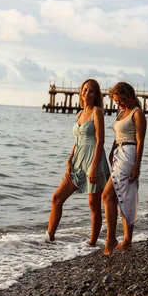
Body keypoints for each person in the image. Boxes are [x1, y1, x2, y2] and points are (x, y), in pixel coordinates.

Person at [46, 79, 110, 245]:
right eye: (84, 89)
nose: (86, 93)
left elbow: (100, 141)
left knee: (93, 204)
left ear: (96, 95)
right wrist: (69, 161)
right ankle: (49, 237)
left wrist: (95, 167)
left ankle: (92, 243)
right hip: (77, 160)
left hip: (93, 159)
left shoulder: (97, 112)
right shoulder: (79, 114)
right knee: (56, 198)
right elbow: (77, 141)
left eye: (90, 91)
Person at [103, 82, 147, 255]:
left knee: (109, 195)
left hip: (129, 154)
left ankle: (112, 239)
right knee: (122, 197)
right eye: (116, 101)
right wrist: (112, 151)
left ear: (129, 96)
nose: (118, 104)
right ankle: (126, 240)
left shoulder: (137, 113)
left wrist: (137, 166)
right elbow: (118, 135)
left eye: (121, 101)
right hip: (118, 153)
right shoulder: (121, 111)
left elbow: (140, 141)